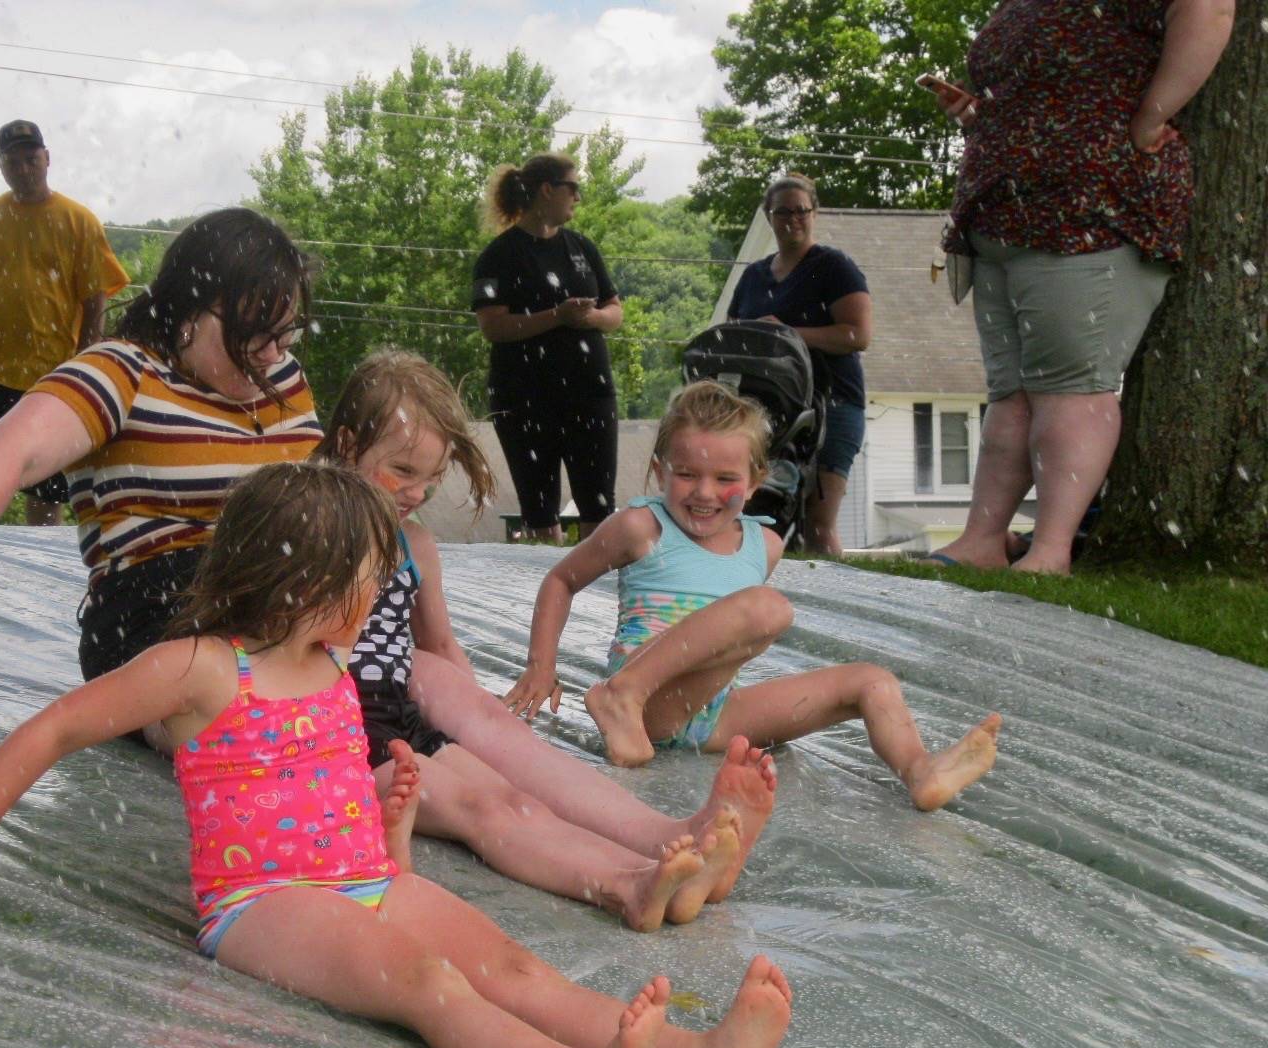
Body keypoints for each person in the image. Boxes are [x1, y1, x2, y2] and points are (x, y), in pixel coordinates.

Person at [0, 461, 794, 1048]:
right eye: (369, 578)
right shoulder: (203, 667)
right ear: (303, 581)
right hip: (263, 904)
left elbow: (308, 795)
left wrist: (389, 812)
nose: (380, 600)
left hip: (366, 876)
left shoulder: (334, 667)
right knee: (426, 983)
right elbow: (55, 730)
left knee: (521, 971)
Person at [316, 349, 776, 932]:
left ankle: (670, 844)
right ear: (348, 444)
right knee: (487, 807)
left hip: (396, 713)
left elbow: (440, 648)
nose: (415, 492)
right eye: (403, 472)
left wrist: (482, 721)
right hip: (334, 734)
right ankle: (626, 886)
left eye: (431, 480)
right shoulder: (315, 530)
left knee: (513, 777)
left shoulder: (412, 542)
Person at [505, 381, 1003, 809]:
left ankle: (920, 772)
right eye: (687, 475)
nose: (703, 492)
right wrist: (540, 666)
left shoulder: (763, 544)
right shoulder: (641, 526)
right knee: (769, 610)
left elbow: (723, 644)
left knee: (871, 681)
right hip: (648, 706)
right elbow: (560, 581)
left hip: (713, 715)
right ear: (659, 471)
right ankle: (620, 696)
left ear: (756, 481)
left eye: (725, 479)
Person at [0, 208, 320, 710]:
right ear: (189, 312)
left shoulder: (283, 378)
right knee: (239, 705)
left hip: (282, 601)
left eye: (287, 333)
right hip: (161, 608)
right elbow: (7, 450)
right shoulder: (125, 372)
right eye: (254, 333)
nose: (273, 354)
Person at [927, 0, 1235, 575]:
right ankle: (983, 539)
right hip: (1003, 212)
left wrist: (1152, 116)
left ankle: (1050, 550)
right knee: (1012, 393)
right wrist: (982, 118)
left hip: (1092, 206)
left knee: (1070, 387)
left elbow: (1210, 10)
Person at [0, 119, 131, 526]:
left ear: (47, 159)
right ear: (1, 166)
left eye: (30, 159)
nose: (23, 169)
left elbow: (95, 298)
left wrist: (84, 361)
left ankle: (36, 562)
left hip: (53, 378)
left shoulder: (79, 221)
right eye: (13, 161)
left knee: (48, 485)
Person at [472, 153, 623, 544]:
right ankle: (544, 590)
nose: (579, 197)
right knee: (538, 507)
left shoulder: (583, 249)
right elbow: (492, 326)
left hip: (590, 393)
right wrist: (556, 316)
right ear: (547, 190)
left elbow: (615, 310)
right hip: (525, 398)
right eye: (574, 188)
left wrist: (589, 319)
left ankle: (597, 593)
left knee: (599, 504)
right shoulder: (498, 256)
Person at [727, 174, 872, 556]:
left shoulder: (834, 266)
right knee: (764, 520)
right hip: (768, 412)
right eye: (783, 212)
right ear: (768, 216)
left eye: (801, 211)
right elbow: (732, 334)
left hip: (833, 405)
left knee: (817, 526)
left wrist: (787, 334)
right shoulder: (753, 276)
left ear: (814, 213)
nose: (793, 219)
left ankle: (835, 609)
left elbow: (858, 334)